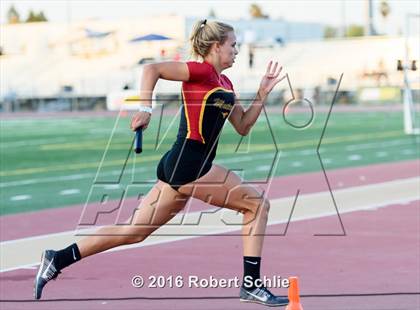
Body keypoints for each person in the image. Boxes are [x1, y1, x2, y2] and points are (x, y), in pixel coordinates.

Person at [34, 19, 287, 307]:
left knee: (134, 231)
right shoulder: (200, 71)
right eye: (233, 45)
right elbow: (151, 69)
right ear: (216, 47)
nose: (237, 50)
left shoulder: (224, 82)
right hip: (189, 163)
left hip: (179, 166)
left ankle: (57, 258)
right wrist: (145, 108)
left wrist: (262, 94)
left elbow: (242, 125)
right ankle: (251, 285)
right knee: (257, 205)